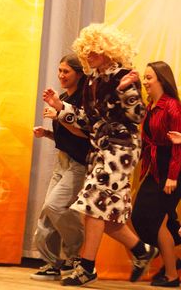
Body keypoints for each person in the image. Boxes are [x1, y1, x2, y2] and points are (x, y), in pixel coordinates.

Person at [42, 24, 156, 286]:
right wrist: (61, 108)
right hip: (100, 150)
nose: (88, 54)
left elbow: (137, 115)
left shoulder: (123, 75)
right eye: (85, 50)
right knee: (108, 216)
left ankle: (87, 267)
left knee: (93, 206)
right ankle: (142, 250)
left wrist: (126, 90)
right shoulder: (93, 80)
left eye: (94, 49)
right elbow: (88, 121)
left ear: (107, 50)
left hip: (120, 149)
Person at [30, 54, 89, 281]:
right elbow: (66, 136)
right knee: (47, 212)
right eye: (59, 70)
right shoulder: (63, 98)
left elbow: (85, 134)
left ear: (79, 74)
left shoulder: (84, 99)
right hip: (63, 160)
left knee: (55, 206)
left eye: (66, 71)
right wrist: (46, 133)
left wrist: (60, 114)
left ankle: (75, 255)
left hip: (79, 163)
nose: (61, 75)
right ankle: (52, 262)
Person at [131, 61, 181, 287]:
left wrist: (172, 176)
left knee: (158, 222)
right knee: (140, 216)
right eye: (144, 77)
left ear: (162, 79)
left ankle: (171, 276)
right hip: (156, 168)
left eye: (149, 77)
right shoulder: (151, 106)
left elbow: (178, 146)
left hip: (172, 168)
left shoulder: (173, 106)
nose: (145, 81)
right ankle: (173, 257)